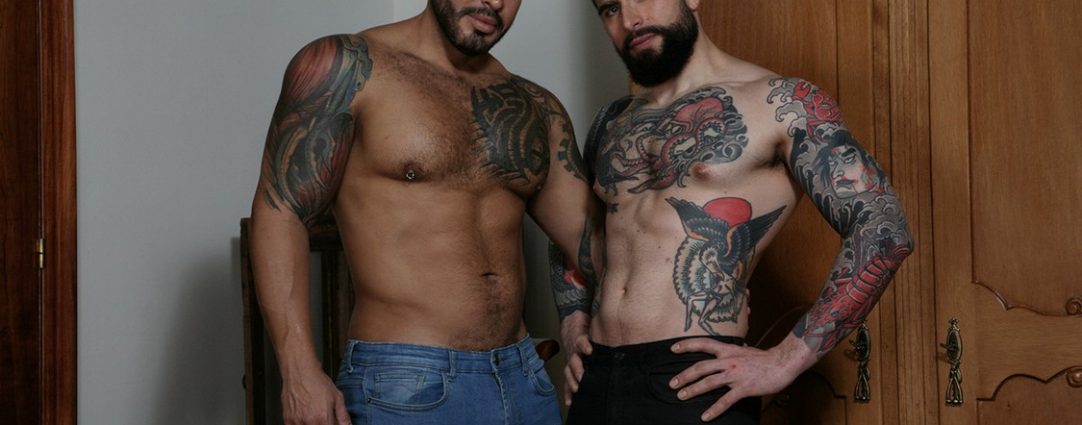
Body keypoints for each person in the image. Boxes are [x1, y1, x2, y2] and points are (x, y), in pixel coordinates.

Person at [549, 1, 913, 424]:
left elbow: (884, 227)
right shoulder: (613, 122)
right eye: (610, 8)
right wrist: (572, 324)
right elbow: (574, 229)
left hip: (694, 379)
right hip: (597, 379)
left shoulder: (781, 102)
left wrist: (787, 359)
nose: (630, 20)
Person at [249, 1, 603, 424]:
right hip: (405, 384)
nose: (495, 2)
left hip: (524, 378)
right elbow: (280, 211)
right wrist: (299, 371)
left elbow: (592, 243)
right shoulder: (351, 67)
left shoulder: (534, 105)